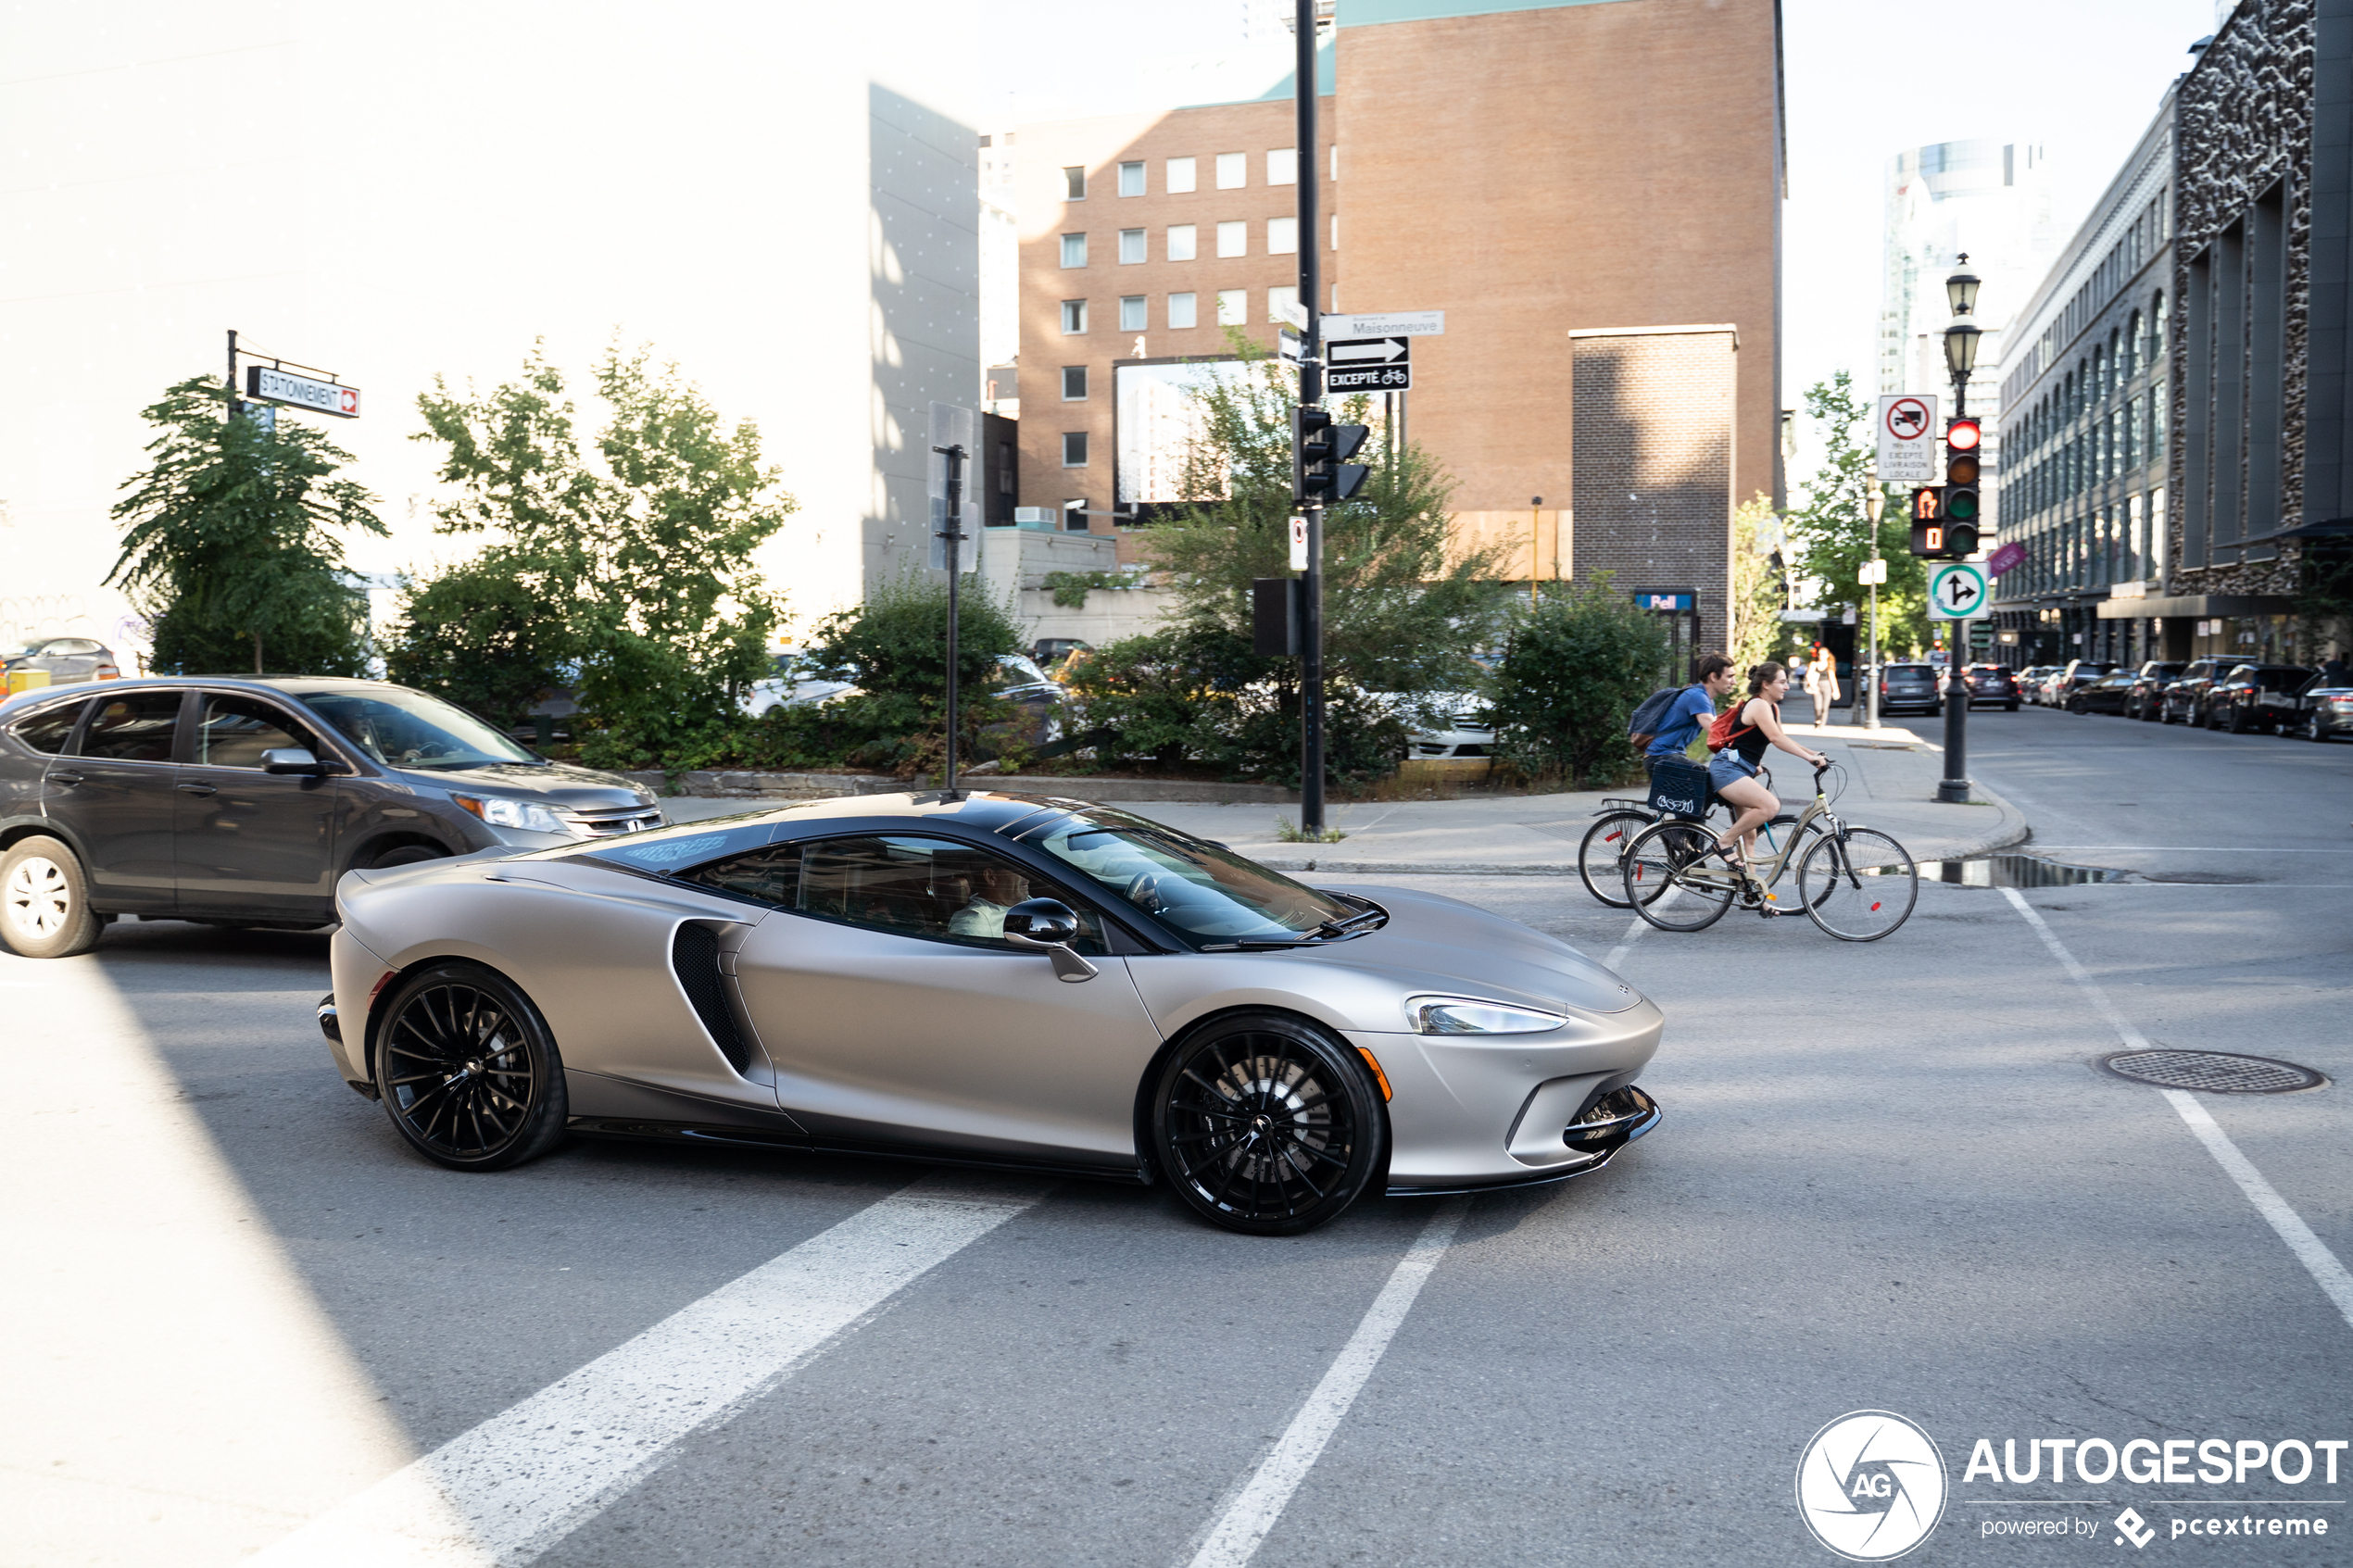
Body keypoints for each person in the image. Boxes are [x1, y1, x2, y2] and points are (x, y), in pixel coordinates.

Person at [1711, 661, 1828, 873]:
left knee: (1750, 836)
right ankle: (1724, 842)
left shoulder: (1771, 707)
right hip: (1728, 770)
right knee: (1770, 807)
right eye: (1782, 682)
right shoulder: (1758, 705)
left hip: (1741, 770)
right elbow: (1775, 739)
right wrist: (1808, 759)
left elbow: (1783, 737)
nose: (1787, 687)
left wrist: (1812, 753)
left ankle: (1752, 894)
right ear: (1765, 684)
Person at [1643, 653, 1736, 776]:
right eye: (1730, 676)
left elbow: (1720, 734)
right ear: (1713, 676)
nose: (1734, 682)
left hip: (1667, 756)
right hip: (1660, 757)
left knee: (1705, 785)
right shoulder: (1697, 697)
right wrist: (1741, 756)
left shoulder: (1707, 700)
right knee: (1709, 779)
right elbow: (1716, 732)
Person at [949, 860, 1032, 938]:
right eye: (1019, 869)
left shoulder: (1024, 900)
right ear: (991, 877)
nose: (1027, 875)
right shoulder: (975, 924)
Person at [1805, 648, 1841, 729]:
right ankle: (1817, 719)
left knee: (1825, 707)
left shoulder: (1829, 665)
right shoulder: (1814, 664)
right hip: (1816, 686)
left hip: (1827, 685)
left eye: (1823, 654)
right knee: (1818, 707)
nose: (1821, 656)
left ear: (1827, 655)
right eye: (1820, 654)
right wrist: (1813, 686)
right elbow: (1808, 675)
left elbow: (1832, 678)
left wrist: (1836, 690)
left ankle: (1821, 725)